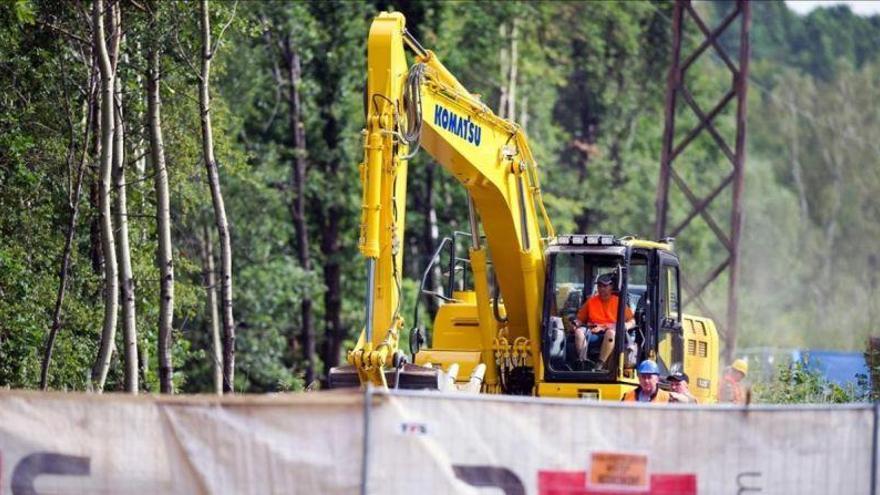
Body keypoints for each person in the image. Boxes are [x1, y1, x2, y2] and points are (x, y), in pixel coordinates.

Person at [571, 273, 634, 371]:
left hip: (610, 334)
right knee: (579, 332)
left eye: (605, 286)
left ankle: (599, 365)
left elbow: (632, 321)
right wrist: (576, 324)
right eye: (599, 286)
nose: (601, 289)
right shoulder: (591, 301)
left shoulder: (619, 302)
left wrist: (625, 325)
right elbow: (580, 319)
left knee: (610, 333)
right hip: (592, 333)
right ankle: (583, 362)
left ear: (611, 287)